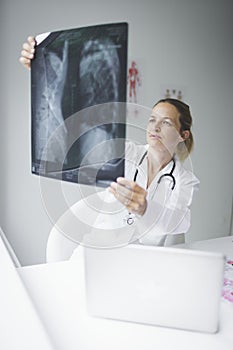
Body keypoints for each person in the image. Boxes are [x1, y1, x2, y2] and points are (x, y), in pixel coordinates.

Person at [20, 36, 199, 261]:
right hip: (98, 253)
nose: (155, 127)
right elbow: (83, 129)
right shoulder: (128, 153)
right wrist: (42, 72)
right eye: (152, 119)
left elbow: (180, 221)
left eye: (166, 122)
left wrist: (146, 208)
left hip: (143, 265)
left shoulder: (185, 180)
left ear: (183, 135)